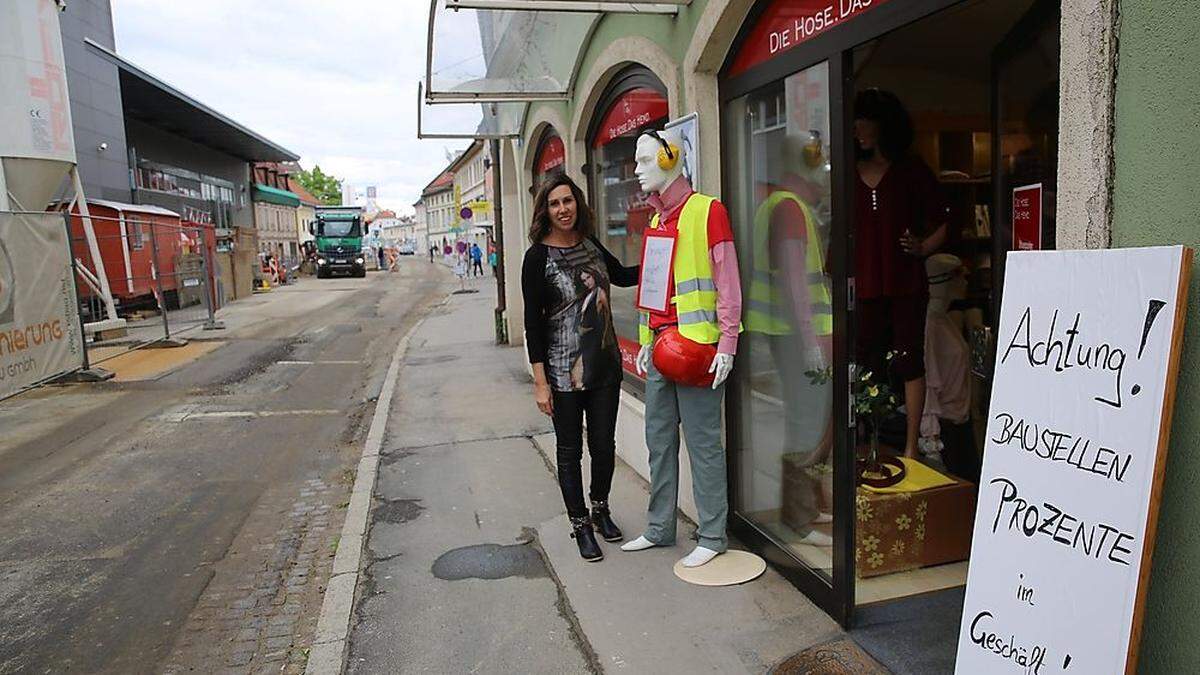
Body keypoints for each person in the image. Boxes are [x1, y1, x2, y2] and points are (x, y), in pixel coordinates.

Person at [522, 173, 638, 562]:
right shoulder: (537, 257)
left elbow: (622, 276)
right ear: (546, 210)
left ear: (578, 203)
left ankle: (601, 508)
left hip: (605, 365)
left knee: (604, 446)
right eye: (554, 204)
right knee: (569, 451)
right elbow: (532, 324)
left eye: (567, 201)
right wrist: (540, 383)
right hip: (561, 371)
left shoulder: (591, 245)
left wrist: (664, 254)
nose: (563, 209)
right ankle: (579, 524)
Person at [853, 88, 949, 458]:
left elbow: (945, 220)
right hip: (862, 284)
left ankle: (911, 447)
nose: (858, 128)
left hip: (905, 281)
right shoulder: (849, 173)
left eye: (866, 120)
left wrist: (923, 247)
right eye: (856, 121)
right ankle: (860, 440)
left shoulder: (910, 171)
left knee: (910, 358)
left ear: (884, 125)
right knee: (863, 361)